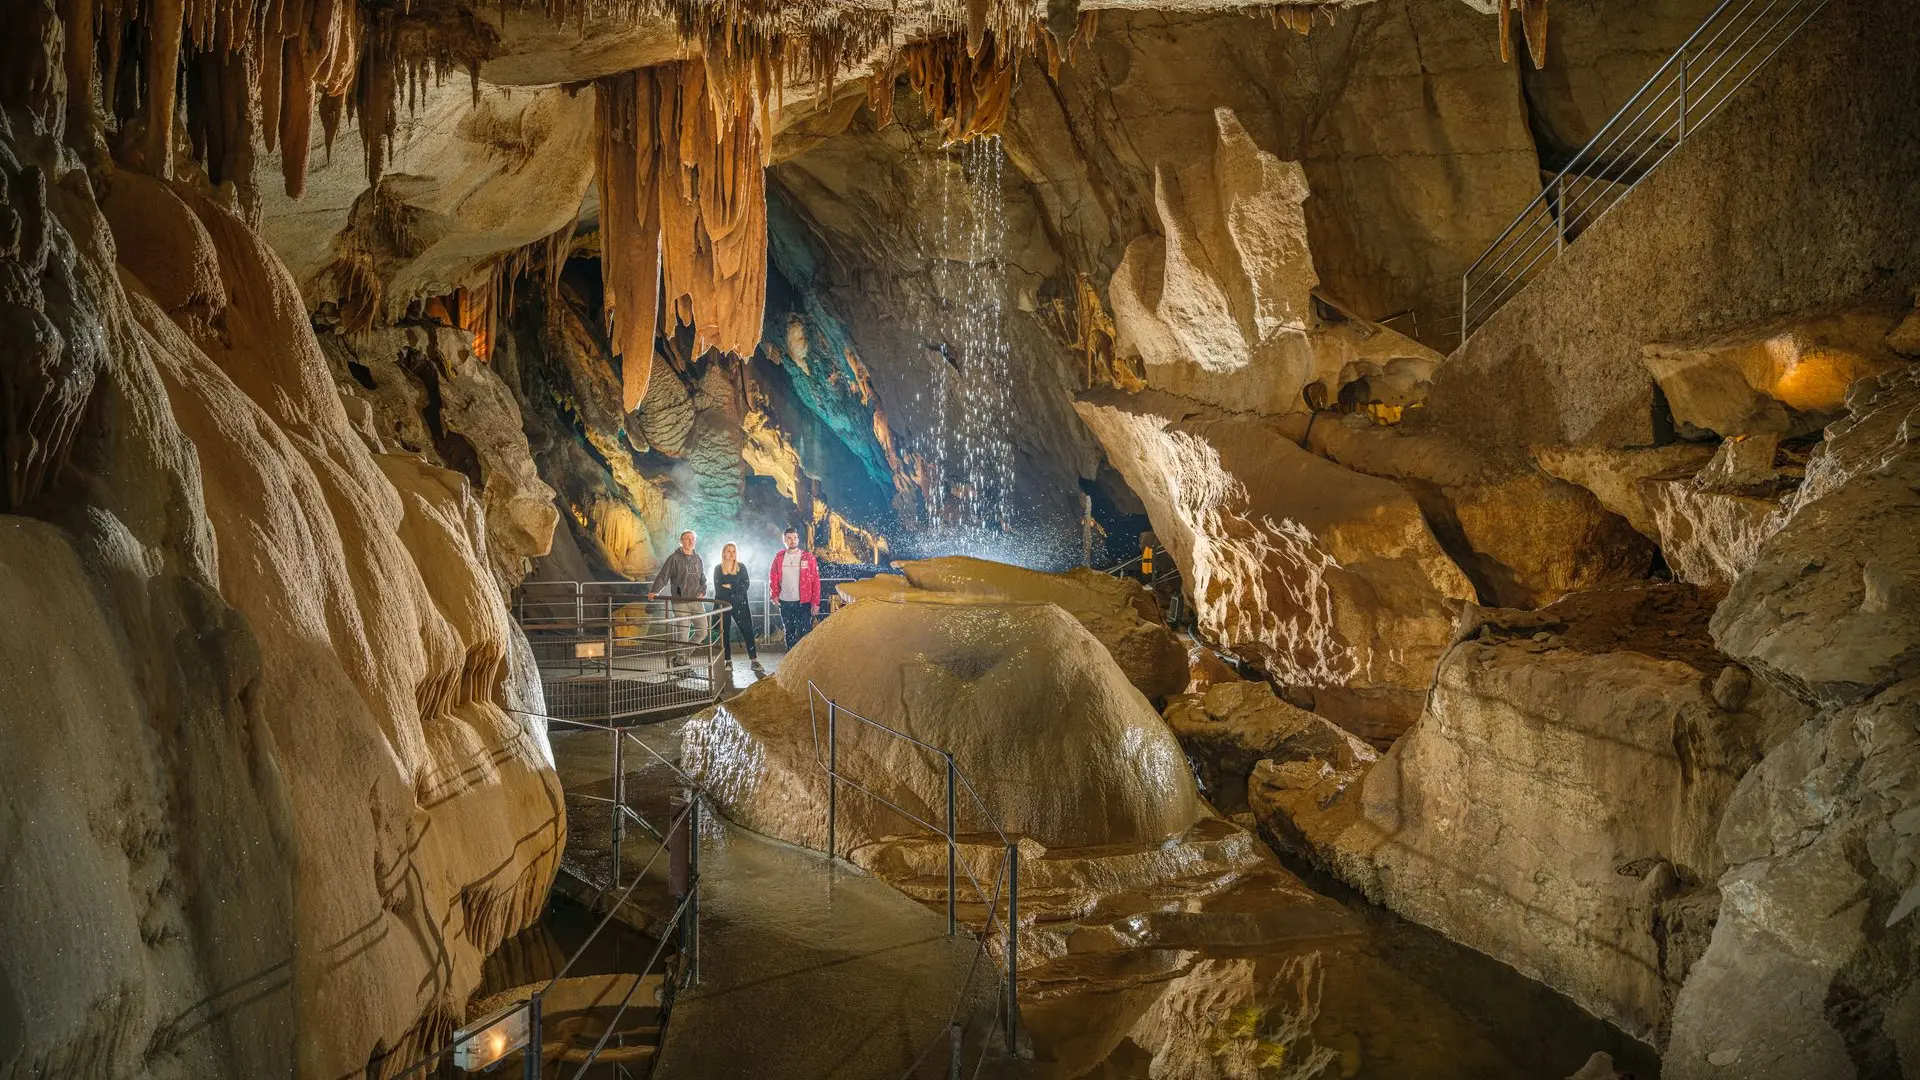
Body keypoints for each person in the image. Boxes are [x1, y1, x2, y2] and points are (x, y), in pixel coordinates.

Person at [650, 530, 706, 666]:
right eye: (687, 539)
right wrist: (654, 591)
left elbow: (702, 578)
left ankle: (682, 657)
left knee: (703, 631)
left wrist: (703, 591)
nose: (691, 541)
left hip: (696, 601)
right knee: (683, 634)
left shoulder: (697, 558)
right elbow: (664, 575)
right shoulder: (674, 558)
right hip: (680, 602)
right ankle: (682, 662)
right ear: (681, 541)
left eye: (693, 538)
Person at [768, 527, 820, 649]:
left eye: (795, 538)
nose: (793, 541)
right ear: (784, 541)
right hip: (785, 601)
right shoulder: (779, 558)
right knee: (789, 631)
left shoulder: (808, 557)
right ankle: (791, 660)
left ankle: (804, 660)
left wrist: (815, 602)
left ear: (798, 539)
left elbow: (815, 581)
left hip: (804, 601)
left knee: (805, 632)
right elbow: (773, 577)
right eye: (789, 538)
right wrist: (774, 595)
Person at [712, 542, 759, 668]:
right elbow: (719, 590)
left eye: (734, 551)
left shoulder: (741, 567)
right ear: (724, 553)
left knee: (747, 630)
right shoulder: (718, 568)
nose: (732, 553)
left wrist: (731, 586)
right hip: (724, 604)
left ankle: (754, 660)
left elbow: (746, 585)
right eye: (729, 551)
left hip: (740, 604)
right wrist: (737, 588)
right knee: (724, 632)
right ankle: (728, 661)